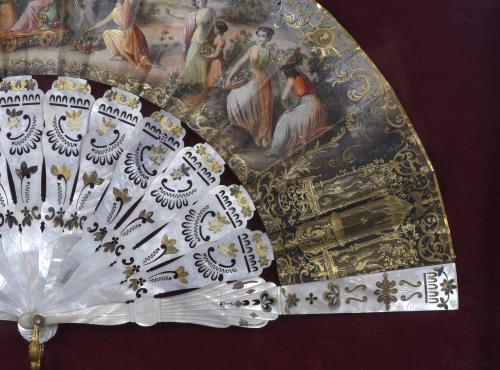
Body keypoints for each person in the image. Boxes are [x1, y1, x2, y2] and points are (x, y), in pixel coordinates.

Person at [270, 48, 328, 156]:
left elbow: (283, 98)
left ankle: (281, 150)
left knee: (285, 119)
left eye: (284, 71)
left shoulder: (291, 79)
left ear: (286, 70)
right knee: (291, 118)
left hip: (309, 105)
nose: (283, 73)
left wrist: (287, 108)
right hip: (315, 103)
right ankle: (291, 148)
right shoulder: (301, 75)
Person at [226, 26, 275, 148]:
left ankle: (261, 133)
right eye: (259, 35)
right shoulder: (252, 48)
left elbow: (267, 69)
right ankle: (243, 126)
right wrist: (229, 78)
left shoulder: (268, 52)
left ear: (268, 38)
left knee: (261, 106)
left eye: (263, 36)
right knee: (233, 96)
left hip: (262, 80)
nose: (260, 38)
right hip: (252, 78)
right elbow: (239, 64)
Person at [84, 0, 152, 71]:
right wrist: (91, 29)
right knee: (109, 33)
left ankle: (116, 55)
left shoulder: (123, 9)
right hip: (135, 34)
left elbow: (105, 22)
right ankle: (121, 54)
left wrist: (90, 29)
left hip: (129, 37)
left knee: (107, 33)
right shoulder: (120, 9)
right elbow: (103, 22)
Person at [205, 21, 228, 88]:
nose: (213, 29)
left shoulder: (221, 40)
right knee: (211, 81)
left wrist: (206, 56)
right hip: (213, 61)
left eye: (215, 28)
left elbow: (216, 54)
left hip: (217, 62)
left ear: (218, 30)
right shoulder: (217, 37)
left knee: (216, 82)